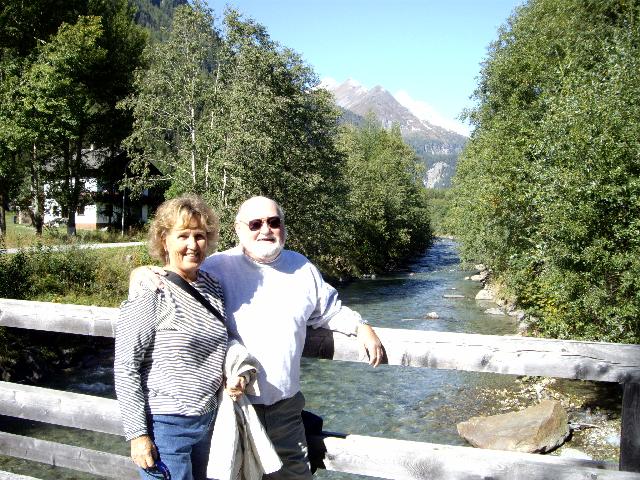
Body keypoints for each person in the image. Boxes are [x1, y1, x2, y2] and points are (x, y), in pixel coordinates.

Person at [132, 195, 384, 479]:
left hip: (285, 409)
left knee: (295, 475)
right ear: (239, 230)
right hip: (232, 406)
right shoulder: (216, 267)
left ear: (283, 227)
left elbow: (329, 311)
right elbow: (174, 276)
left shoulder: (302, 269)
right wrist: (139, 272)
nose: (266, 230)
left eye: (274, 222)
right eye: (255, 223)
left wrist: (361, 327)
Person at [115, 194, 248, 480]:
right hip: (165, 428)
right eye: (183, 235)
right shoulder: (150, 290)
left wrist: (236, 373)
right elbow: (126, 367)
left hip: (209, 421)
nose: (192, 245)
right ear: (164, 240)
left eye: (199, 236)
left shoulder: (212, 286)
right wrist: (138, 435)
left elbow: (221, 341)